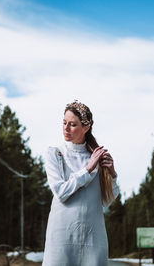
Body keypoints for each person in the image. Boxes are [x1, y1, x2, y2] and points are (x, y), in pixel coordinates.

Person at [42, 100, 120, 266]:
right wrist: (88, 169)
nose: (66, 128)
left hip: (93, 238)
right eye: (64, 123)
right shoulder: (55, 153)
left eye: (72, 124)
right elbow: (60, 192)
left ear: (86, 128)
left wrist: (112, 173)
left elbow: (106, 201)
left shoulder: (97, 157)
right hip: (61, 237)